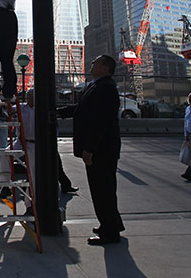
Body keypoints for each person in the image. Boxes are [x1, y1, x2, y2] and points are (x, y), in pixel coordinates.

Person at [60, 55, 123, 245]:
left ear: (106, 68)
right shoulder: (97, 85)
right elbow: (82, 109)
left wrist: (89, 148)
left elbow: (99, 122)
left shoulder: (105, 88)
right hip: (101, 149)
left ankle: (109, 232)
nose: (92, 64)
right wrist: (59, 111)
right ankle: (112, 224)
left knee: (101, 189)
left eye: (95, 62)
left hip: (101, 150)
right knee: (105, 189)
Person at [0, 89, 35, 214]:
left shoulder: (39, 109)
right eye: (28, 96)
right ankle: (5, 185)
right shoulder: (21, 107)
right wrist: (5, 101)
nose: (29, 99)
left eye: (31, 97)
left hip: (34, 143)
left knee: (32, 175)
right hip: (21, 141)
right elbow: (8, 110)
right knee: (6, 154)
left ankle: (29, 205)